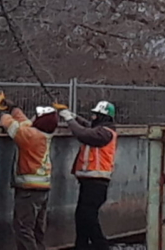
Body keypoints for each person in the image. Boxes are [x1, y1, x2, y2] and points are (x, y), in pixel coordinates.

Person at [0, 92, 59, 250]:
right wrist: (14, 108)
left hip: (29, 190)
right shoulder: (42, 134)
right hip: (42, 189)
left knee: (23, 229)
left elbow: (12, 126)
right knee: (37, 230)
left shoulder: (31, 136)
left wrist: (3, 114)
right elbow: (24, 122)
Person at [57, 101, 117, 250]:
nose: (92, 117)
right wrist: (74, 116)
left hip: (97, 183)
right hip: (90, 182)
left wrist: (69, 119)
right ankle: (81, 246)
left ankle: (101, 246)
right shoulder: (101, 130)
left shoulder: (104, 133)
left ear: (103, 117)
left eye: (95, 115)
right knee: (81, 218)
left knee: (88, 218)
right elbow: (88, 126)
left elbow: (83, 133)